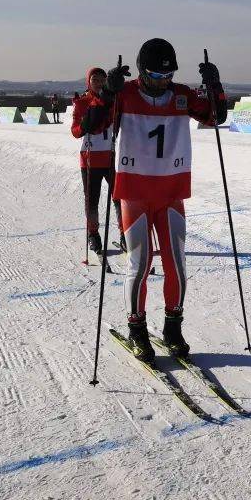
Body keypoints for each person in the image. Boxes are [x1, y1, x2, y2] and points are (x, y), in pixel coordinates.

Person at [85, 38, 228, 363]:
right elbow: (92, 127)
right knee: (140, 264)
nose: (163, 81)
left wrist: (215, 85)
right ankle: (137, 329)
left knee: (177, 264)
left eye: (168, 75)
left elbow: (215, 117)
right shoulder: (125, 93)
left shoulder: (181, 96)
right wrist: (107, 91)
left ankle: (172, 328)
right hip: (134, 194)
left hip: (171, 193)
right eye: (156, 76)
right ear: (141, 71)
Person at [71, 68, 124, 256]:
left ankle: (125, 233)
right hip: (90, 159)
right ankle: (93, 235)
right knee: (92, 200)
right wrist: (84, 125)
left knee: (119, 197)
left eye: (102, 79)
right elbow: (76, 131)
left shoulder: (112, 101)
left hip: (110, 157)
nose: (99, 82)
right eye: (95, 79)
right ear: (88, 81)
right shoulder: (82, 102)